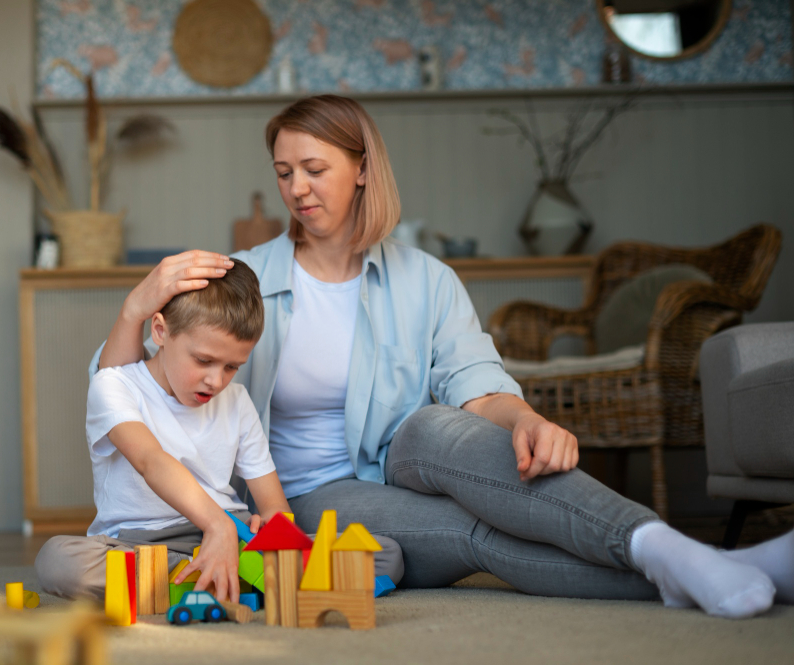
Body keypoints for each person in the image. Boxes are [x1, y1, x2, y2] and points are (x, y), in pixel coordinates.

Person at [86, 95, 793, 619]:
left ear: (362, 170)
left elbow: (474, 380)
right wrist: (133, 302)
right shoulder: (241, 276)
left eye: (314, 168)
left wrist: (523, 419)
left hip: (407, 456)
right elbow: (123, 382)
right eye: (283, 173)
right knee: (477, 532)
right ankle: (692, 563)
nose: (297, 188)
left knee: (438, 425)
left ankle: (674, 552)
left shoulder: (424, 278)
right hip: (305, 494)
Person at [35, 259, 403, 603]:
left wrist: (272, 532)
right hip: (141, 542)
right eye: (204, 361)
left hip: (234, 532)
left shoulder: (238, 402)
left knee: (386, 555)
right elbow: (150, 460)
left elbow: (274, 503)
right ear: (161, 331)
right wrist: (216, 526)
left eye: (231, 367)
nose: (216, 380)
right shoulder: (113, 385)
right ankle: (224, 578)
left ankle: (214, 577)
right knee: (58, 560)